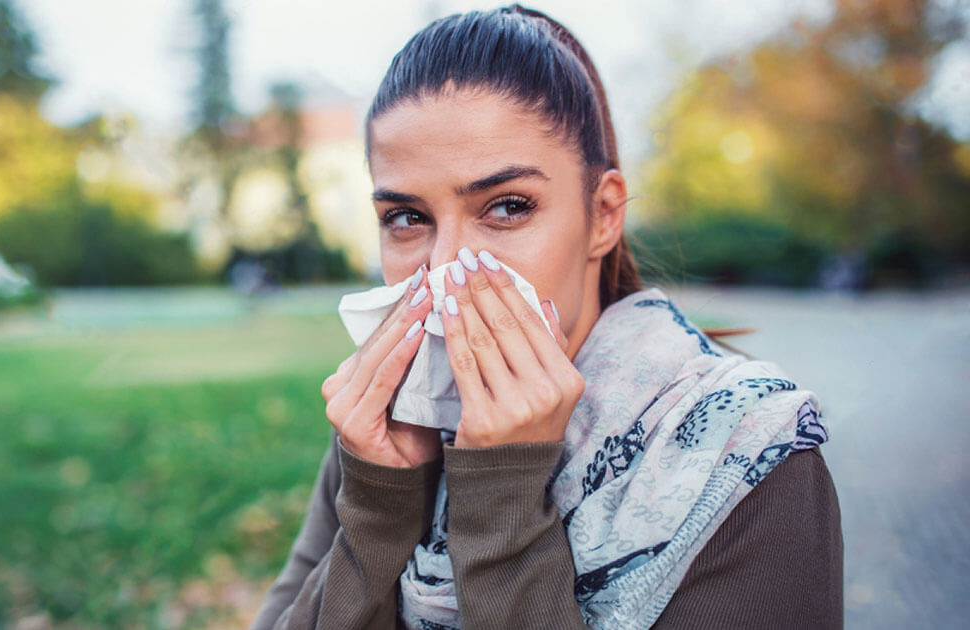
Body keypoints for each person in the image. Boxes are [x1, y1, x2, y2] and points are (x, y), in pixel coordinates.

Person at [251, 5, 842, 629]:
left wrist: (501, 495)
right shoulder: (390, 425)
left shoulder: (751, 459)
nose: (445, 267)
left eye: (507, 207)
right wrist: (375, 516)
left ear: (605, 214)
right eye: (407, 218)